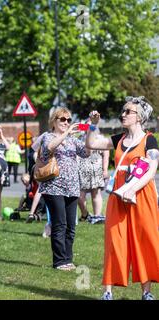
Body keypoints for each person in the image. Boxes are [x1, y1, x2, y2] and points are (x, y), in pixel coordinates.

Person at [86, 96, 159, 300]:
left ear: (139, 117)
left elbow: (151, 170)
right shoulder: (118, 139)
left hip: (142, 197)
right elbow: (92, 143)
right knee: (114, 242)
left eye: (128, 111)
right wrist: (93, 125)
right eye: (123, 111)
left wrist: (133, 189)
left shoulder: (149, 140)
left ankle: (146, 293)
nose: (123, 114)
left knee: (144, 242)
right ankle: (108, 292)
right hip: (118, 198)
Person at [38, 107, 89, 271]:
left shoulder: (74, 140)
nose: (66, 122)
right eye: (62, 119)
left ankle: (68, 259)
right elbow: (49, 148)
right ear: (54, 121)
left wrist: (91, 130)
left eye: (68, 120)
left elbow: (87, 152)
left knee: (70, 227)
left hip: (72, 187)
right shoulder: (48, 136)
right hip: (53, 187)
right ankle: (59, 261)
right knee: (59, 224)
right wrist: (66, 134)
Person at [77, 132, 109, 224]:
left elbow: (105, 155)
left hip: (97, 170)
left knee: (96, 194)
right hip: (81, 170)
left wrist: (105, 170)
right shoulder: (80, 137)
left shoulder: (100, 138)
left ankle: (97, 216)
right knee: (80, 195)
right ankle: (85, 214)